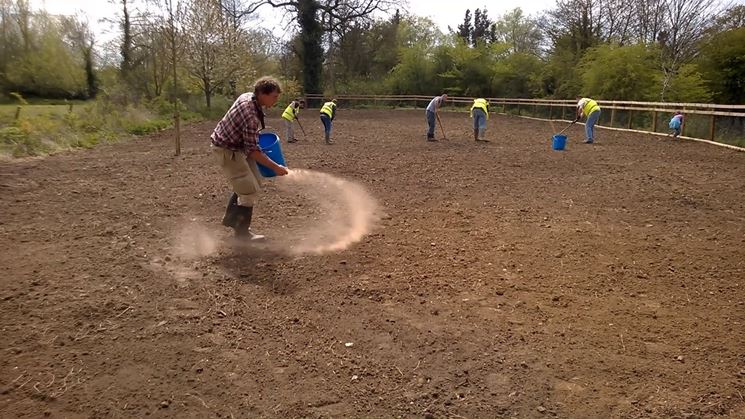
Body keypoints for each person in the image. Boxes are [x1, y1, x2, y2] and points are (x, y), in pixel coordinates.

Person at [210, 76, 289, 240]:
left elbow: (250, 144)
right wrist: (276, 167)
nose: (276, 100)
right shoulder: (250, 115)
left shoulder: (248, 97)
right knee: (248, 190)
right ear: (261, 93)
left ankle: (231, 219)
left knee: (255, 181)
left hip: (238, 147)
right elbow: (253, 150)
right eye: (274, 96)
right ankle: (242, 233)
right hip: (227, 149)